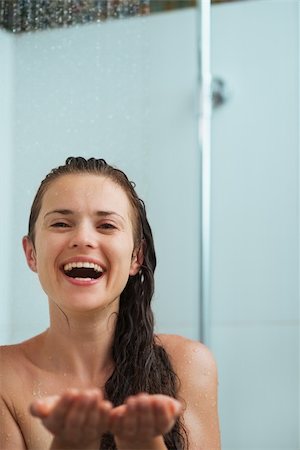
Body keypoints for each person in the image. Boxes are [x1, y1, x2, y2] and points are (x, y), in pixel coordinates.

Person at [0, 157, 220, 450]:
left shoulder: (188, 365)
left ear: (136, 257)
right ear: (31, 254)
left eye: (106, 225)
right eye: (61, 223)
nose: (83, 238)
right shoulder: (5, 378)